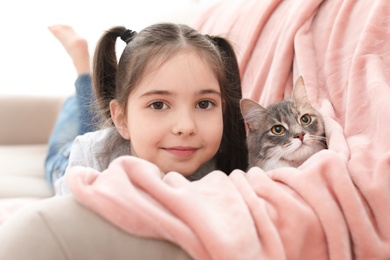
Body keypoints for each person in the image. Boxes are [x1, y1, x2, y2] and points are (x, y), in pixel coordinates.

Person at [46, 23, 248, 194]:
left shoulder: (224, 170)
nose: (186, 126)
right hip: (66, 159)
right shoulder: (91, 158)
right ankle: (82, 67)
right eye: (158, 105)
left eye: (204, 104)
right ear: (121, 119)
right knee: (74, 128)